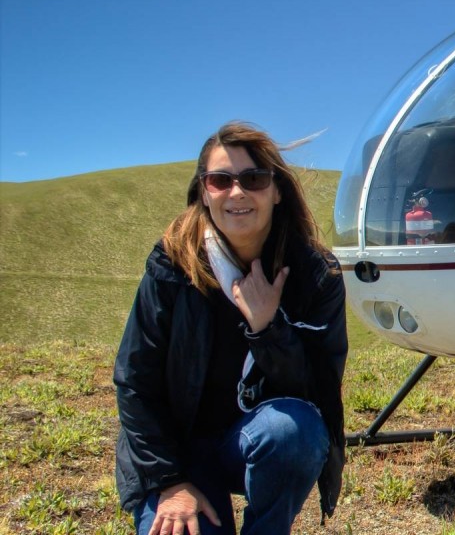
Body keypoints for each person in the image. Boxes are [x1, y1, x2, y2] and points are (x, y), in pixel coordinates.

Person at [114, 122, 347, 535]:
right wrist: (169, 482)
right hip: (177, 450)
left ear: (277, 191)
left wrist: (268, 328)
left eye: (254, 179)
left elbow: (318, 395)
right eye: (220, 180)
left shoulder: (315, 275)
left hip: (251, 443)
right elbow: (135, 381)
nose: (237, 192)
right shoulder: (172, 263)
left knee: (295, 430)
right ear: (204, 192)